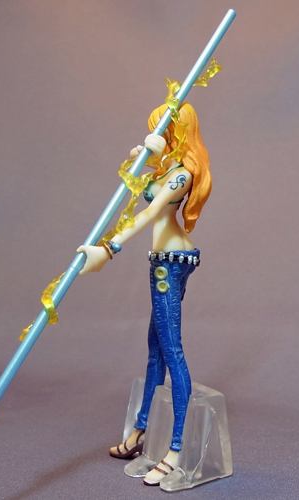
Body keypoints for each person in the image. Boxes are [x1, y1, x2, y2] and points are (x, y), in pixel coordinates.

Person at [77, 102, 212, 486]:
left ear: (176, 132)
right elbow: (138, 188)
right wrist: (142, 159)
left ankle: (175, 449)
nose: (157, 134)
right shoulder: (166, 169)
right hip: (160, 262)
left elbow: (151, 213)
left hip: (171, 263)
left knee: (172, 351)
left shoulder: (182, 175)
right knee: (155, 349)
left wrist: (108, 249)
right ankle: (140, 432)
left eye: (162, 129)